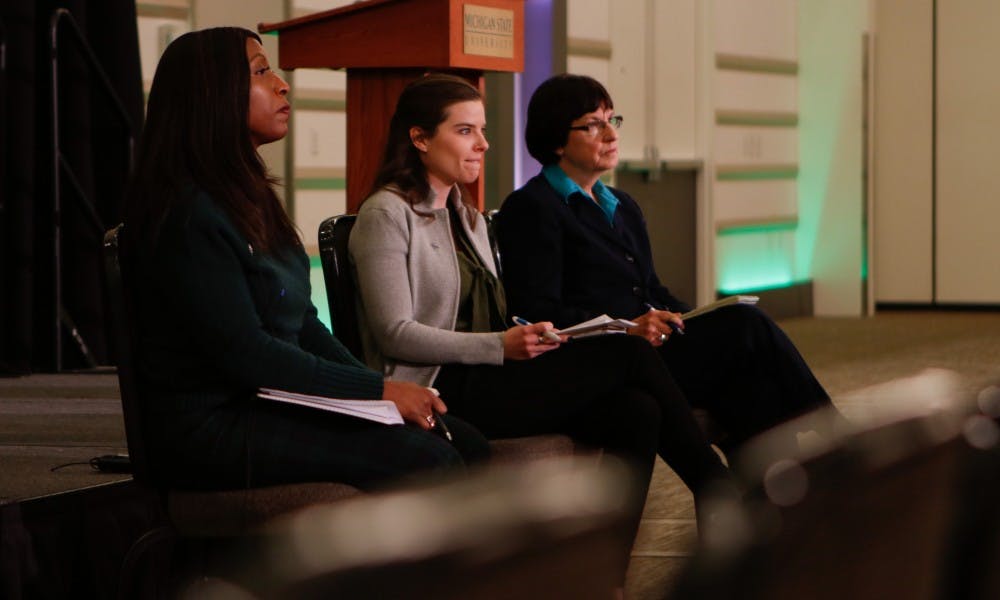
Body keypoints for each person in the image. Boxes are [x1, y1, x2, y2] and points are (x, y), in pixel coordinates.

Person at [348, 73, 733, 586]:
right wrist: (498, 345)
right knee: (626, 354)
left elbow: (499, 316)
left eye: (482, 130)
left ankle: (602, 579)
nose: (483, 143)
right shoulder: (386, 214)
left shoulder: (467, 216)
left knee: (635, 411)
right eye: (466, 131)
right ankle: (714, 485)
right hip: (436, 386)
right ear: (419, 138)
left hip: (489, 371)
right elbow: (395, 333)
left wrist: (534, 336)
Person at [122, 28, 488, 493]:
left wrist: (376, 390)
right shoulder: (189, 213)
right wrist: (378, 392)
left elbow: (305, 324)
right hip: (215, 424)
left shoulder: (247, 197)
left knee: (465, 441)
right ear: (212, 95)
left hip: (266, 401)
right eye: (260, 71)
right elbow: (248, 354)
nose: (282, 83)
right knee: (428, 460)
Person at [498, 73, 837, 455]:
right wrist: (626, 328)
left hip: (656, 346)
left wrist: (692, 319)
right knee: (747, 326)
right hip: (607, 359)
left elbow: (650, 289)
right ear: (557, 139)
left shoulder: (622, 205)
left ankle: (755, 502)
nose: (611, 135)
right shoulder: (533, 208)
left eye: (612, 120)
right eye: (593, 125)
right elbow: (538, 310)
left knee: (749, 379)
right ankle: (833, 435)